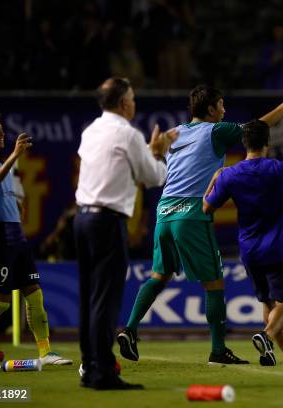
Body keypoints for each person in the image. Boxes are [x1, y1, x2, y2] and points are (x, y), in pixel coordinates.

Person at [118, 85, 283, 366]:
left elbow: (156, 160)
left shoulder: (176, 133)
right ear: (210, 110)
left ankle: (130, 329)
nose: (224, 110)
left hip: (164, 211)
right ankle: (218, 350)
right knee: (214, 283)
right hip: (192, 213)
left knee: (160, 276)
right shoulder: (216, 130)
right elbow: (257, 128)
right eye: (220, 105)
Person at [74, 77, 175, 390]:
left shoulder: (90, 130)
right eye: (131, 98)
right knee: (105, 299)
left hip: (83, 219)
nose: (134, 103)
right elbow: (153, 177)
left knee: (89, 298)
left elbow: (114, 165)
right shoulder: (128, 134)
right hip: (107, 221)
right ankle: (103, 372)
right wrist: (158, 153)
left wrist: (147, 152)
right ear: (122, 104)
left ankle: (90, 367)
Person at [202, 119, 283, 366]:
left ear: (244, 142)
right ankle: (266, 336)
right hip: (277, 248)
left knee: (268, 303)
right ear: (268, 143)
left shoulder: (229, 174)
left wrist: (215, 178)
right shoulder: (278, 168)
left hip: (249, 251)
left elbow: (206, 207)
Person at [0, 108, 72, 367]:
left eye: (1, 129)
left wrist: (16, 207)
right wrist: (16, 155)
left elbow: (5, 190)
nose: (1, 134)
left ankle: (45, 353)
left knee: (35, 293)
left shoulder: (3, 163)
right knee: (1, 302)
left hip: (15, 232)